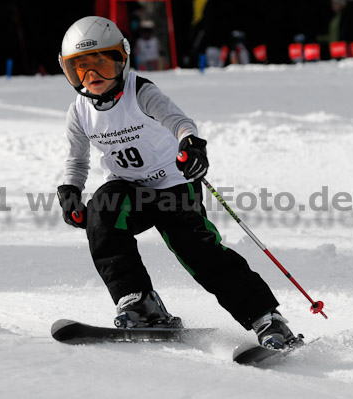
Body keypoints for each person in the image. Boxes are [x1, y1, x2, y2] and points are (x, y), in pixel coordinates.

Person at [56, 16, 297, 349]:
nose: (92, 76)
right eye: (80, 68)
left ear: (122, 59)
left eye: (102, 64)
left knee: (198, 252)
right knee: (103, 212)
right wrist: (70, 191)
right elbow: (77, 159)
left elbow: (179, 121)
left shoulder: (140, 92)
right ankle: (139, 303)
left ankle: (267, 319)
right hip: (128, 192)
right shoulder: (79, 111)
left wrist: (190, 144)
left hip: (173, 187)